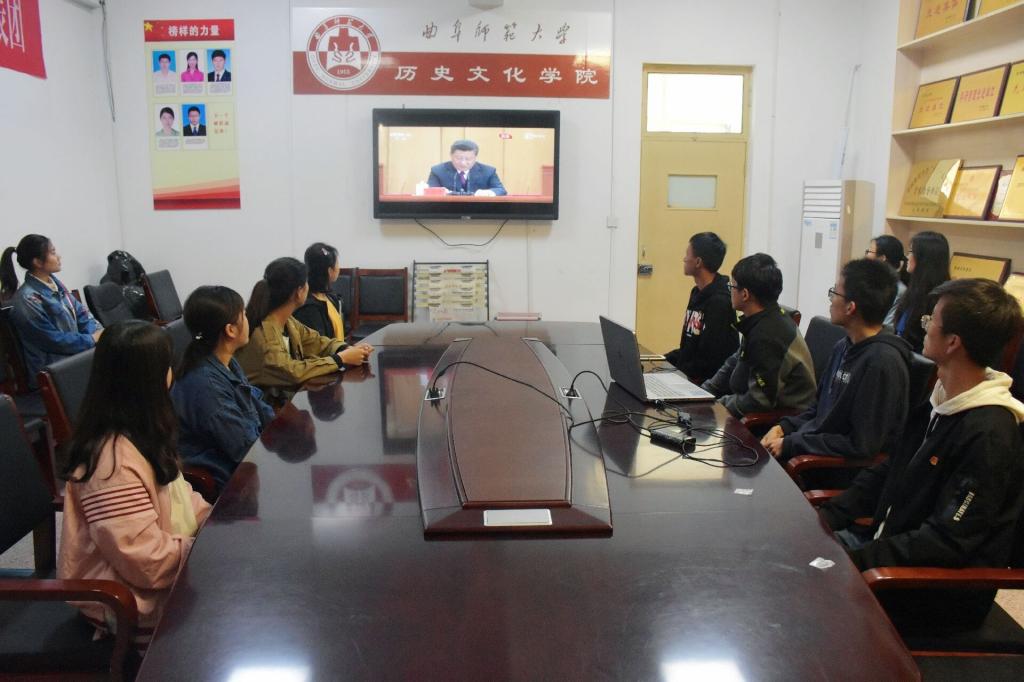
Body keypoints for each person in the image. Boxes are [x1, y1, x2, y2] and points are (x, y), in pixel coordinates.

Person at [820, 278, 1024, 630]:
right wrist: (829, 515)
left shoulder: (990, 433)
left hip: (931, 589)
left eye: (931, 320)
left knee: (804, 595)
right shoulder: (941, 398)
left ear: (953, 342)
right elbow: (890, 469)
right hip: (888, 550)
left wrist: (858, 558)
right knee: (791, 555)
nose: (924, 325)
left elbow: (947, 540)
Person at [57, 321, 212, 650]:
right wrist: (208, 550)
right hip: (127, 601)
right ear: (150, 379)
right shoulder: (110, 464)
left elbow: (182, 498)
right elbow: (144, 562)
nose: (172, 372)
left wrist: (215, 524)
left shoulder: (141, 432)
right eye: (167, 365)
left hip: (165, 570)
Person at [760, 259, 911, 462]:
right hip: (808, 447)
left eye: (835, 293)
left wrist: (791, 444)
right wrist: (783, 428)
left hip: (832, 468)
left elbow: (861, 445)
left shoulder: (882, 363)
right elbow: (817, 410)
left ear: (850, 307)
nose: (831, 300)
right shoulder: (843, 346)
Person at [170, 286, 276, 490]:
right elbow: (246, 448)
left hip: (246, 464)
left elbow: (255, 403)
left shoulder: (225, 361)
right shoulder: (207, 386)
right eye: (244, 314)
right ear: (230, 330)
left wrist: (282, 430)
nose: (248, 319)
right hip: (230, 481)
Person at [700, 253, 816, 418]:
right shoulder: (760, 319)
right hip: (748, 402)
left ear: (745, 294)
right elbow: (735, 360)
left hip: (779, 420)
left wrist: (717, 406)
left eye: (732, 286)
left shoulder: (768, 334)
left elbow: (759, 400)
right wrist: (704, 393)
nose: (730, 290)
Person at [235, 257, 372, 392]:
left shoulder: (288, 321)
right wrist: (341, 359)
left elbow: (316, 341)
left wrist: (345, 349)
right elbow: (292, 372)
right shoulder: (264, 335)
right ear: (299, 292)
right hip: (261, 404)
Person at [1, 234, 102, 389]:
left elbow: (83, 315)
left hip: (77, 357)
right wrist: (91, 339)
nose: (58, 256)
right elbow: (53, 341)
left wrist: (95, 336)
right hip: (54, 372)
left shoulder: (57, 286)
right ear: (37, 262)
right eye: (53, 253)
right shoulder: (27, 300)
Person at [663, 232, 738, 385]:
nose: (684, 259)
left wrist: (675, 374)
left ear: (698, 262)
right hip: (688, 375)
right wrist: (660, 360)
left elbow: (710, 361)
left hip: (704, 384)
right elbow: (688, 350)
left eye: (687, 254)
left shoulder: (720, 303)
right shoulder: (696, 292)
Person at [893, 231, 949, 353]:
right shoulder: (913, 290)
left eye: (911, 252)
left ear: (924, 258)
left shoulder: (939, 299)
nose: (907, 257)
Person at [294, 242, 348, 340]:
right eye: (337, 263)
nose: (338, 267)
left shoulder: (331, 298)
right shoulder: (309, 308)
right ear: (330, 271)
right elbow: (318, 344)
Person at [427, 140, 507, 196]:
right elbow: (429, 191)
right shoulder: (438, 171)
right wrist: (440, 192)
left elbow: (500, 190)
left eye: (468, 159)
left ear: (475, 157)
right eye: (458, 158)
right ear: (451, 155)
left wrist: (488, 192)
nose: (463, 163)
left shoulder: (488, 171)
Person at [865, 235, 909, 328]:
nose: (866, 255)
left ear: (882, 258)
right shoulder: (871, 282)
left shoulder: (898, 289)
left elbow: (887, 326)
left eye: (869, 251)